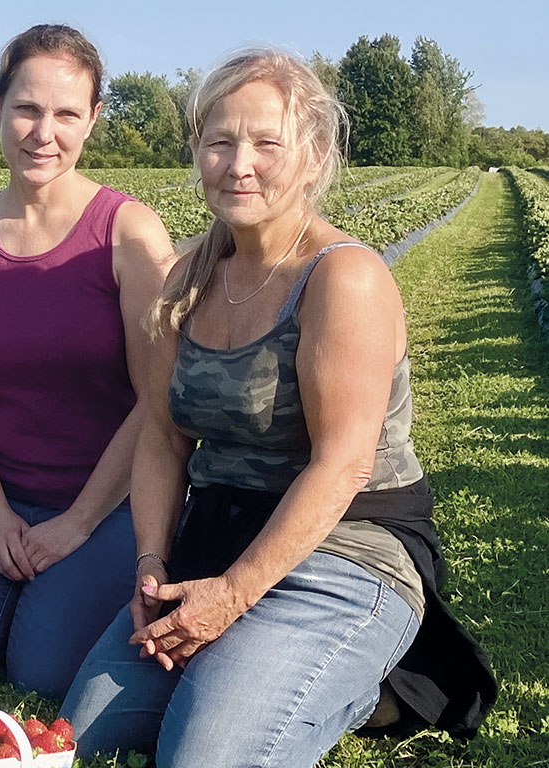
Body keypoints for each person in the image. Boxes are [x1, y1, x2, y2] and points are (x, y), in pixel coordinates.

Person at [60, 46, 495, 766]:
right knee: (82, 735)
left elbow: (344, 463)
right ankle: (257, 670)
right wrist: (153, 563)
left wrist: (232, 597)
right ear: (197, 150)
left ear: (315, 152)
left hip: (347, 549)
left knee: (202, 757)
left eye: (267, 143)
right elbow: (163, 440)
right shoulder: (186, 278)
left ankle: (383, 683)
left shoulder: (342, 278)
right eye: (220, 141)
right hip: (219, 538)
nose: (240, 164)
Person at [0, 24, 174, 701]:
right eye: (26, 108)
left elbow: (158, 400)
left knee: (44, 673)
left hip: (110, 504)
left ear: (93, 119)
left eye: (65, 114)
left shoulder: (127, 232)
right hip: (3, 488)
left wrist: (80, 520)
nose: (42, 132)